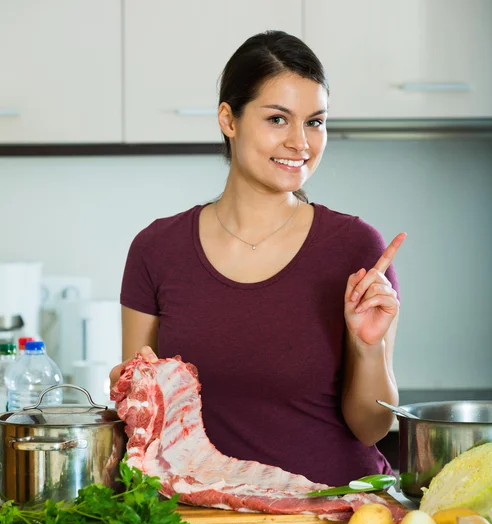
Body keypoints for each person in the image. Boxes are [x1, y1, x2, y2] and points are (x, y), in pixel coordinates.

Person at [110, 30, 406, 486]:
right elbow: (141, 416)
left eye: (315, 121)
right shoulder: (157, 249)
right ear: (228, 119)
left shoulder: (358, 248)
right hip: (205, 518)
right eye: (277, 119)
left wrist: (368, 349)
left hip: (333, 515)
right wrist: (129, 391)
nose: (301, 143)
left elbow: (371, 427)